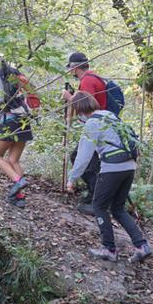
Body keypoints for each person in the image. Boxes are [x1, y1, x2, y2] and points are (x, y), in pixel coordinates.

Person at [66, 92, 151, 263]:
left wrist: (72, 178)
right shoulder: (109, 115)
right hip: (129, 166)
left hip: (113, 168)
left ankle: (109, 249)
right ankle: (141, 246)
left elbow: (83, 155)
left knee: (98, 206)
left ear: (79, 110)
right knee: (118, 208)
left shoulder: (92, 123)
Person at [62, 52, 108, 215]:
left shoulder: (87, 81)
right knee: (92, 162)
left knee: (83, 159)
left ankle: (96, 200)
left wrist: (69, 98)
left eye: (71, 68)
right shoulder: (93, 77)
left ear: (75, 68)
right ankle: (94, 197)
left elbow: (87, 105)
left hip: (95, 127)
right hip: (100, 126)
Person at [0, 54, 32, 208]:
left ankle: (18, 181)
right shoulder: (15, 75)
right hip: (24, 119)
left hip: (10, 120)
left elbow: (0, 99)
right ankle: (20, 198)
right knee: (14, 160)